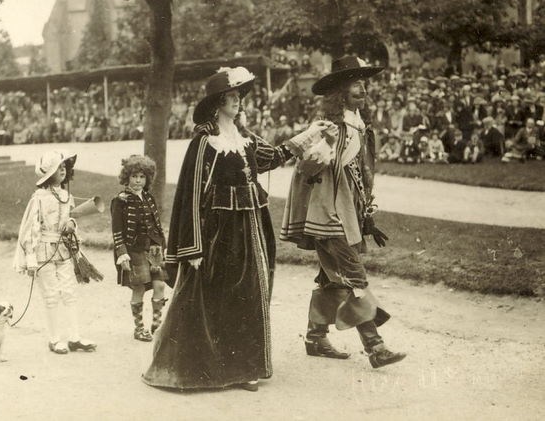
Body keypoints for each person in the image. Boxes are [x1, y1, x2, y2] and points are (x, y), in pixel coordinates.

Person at [142, 66, 296, 392]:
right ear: (217, 103)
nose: (237, 101)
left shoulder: (244, 138)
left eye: (239, 96)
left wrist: (305, 138)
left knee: (250, 293)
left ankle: (245, 368)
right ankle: (210, 369)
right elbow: (192, 193)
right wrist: (193, 247)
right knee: (215, 295)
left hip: (251, 226)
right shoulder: (205, 142)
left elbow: (272, 157)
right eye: (231, 96)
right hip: (219, 233)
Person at [280, 56, 405, 369]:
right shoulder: (330, 127)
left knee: (332, 278)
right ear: (340, 91)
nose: (362, 88)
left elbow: (357, 177)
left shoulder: (357, 125)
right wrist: (321, 152)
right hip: (327, 214)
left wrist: (366, 215)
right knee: (354, 276)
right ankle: (376, 348)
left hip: (344, 211)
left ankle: (315, 337)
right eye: (356, 83)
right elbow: (305, 167)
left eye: (364, 83)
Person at [13, 150, 97, 354]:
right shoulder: (39, 198)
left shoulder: (66, 196)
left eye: (64, 167)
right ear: (48, 172)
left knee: (69, 292)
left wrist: (71, 222)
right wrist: (31, 259)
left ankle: (75, 337)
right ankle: (54, 339)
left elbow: (70, 218)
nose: (63, 170)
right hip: (43, 250)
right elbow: (32, 228)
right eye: (58, 167)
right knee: (51, 295)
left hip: (63, 249)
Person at [111, 155, 168, 342]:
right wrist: (122, 254)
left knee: (160, 285)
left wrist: (161, 245)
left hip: (153, 250)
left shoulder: (149, 198)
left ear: (147, 179)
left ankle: (157, 325)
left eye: (142, 177)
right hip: (133, 250)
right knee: (140, 287)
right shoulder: (120, 201)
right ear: (126, 177)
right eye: (134, 176)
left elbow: (156, 225)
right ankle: (139, 328)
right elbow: (117, 231)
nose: (138, 180)